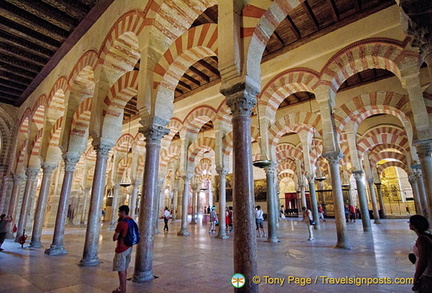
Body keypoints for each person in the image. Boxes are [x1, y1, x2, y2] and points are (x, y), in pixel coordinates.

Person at [408, 215, 432, 292]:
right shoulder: (427, 236)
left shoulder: (422, 240)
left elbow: (423, 260)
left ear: (414, 226)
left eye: (410, 223)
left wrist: (417, 276)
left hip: (428, 275)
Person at [112, 205, 133, 293]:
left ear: (123, 212)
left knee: (121, 270)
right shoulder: (131, 221)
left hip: (122, 249)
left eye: (119, 212)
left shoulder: (122, 223)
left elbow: (115, 237)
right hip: (129, 247)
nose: (118, 214)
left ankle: (122, 290)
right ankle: (121, 287)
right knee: (124, 269)